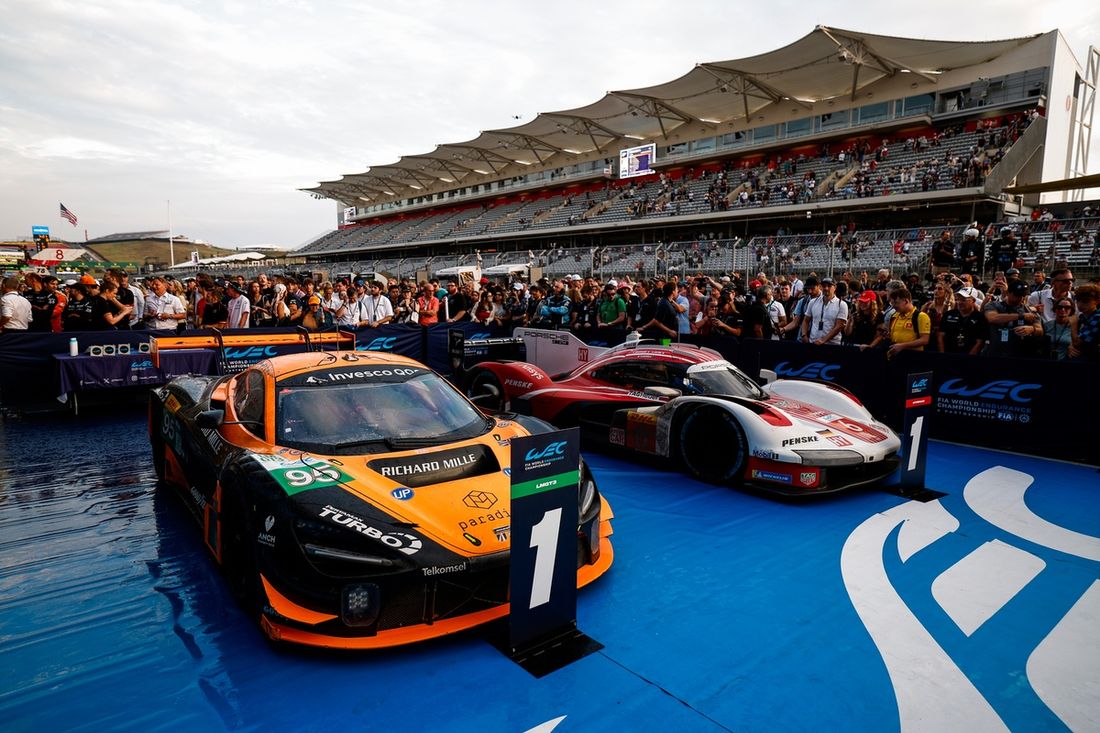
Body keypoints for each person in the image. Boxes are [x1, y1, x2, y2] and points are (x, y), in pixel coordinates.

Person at [983, 279, 1044, 358]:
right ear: (1008, 293)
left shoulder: (1029, 310)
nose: (1020, 298)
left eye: (1023, 295)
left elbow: (1040, 330)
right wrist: (1021, 316)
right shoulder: (994, 305)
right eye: (1017, 295)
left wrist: (1032, 329)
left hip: (1020, 355)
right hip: (995, 354)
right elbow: (992, 317)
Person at [868, 287, 930, 356]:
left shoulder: (921, 316)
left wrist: (902, 346)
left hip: (913, 357)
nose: (894, 306)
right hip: (895, 356)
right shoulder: (894, 315)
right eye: (892, 303)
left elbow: (924, 340)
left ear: (906, 301)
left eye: (896, 303)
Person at [937, 287, 986, 355]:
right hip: (948, 355)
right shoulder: (948, 315)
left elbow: (980, 342)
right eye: (957, 299)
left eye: (963, 300)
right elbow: (940, 336)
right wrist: (942, 355)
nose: (959, 302)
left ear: (973, 300)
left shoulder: (980, 318)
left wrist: (967, 360)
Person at [802, 277, 847, 345]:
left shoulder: (841, 304)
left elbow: (839, 326)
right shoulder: (813, 302)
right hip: (814, 342)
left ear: (835, 287)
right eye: (824, 286)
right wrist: (804, 335)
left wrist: (823, 340)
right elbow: (806, 320)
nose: (826, 288)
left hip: (832, 344)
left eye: (829, 286)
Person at [920, 280, 955, 351]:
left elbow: (944, 315)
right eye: (935, 288)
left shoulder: (953, 305)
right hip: (929, 339)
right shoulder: (928, 305)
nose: (936, 291)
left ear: (946, 292)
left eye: (940, 289)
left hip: (946, 339)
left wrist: (949, 296)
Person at [1069, 284, 1100, 360]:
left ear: (1097, 301)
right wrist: (1070, 345)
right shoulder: (1083, 317)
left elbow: (1078, 343)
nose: (1080, 304)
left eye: (1085, 301)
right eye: (1078, 300)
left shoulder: (1098, 317)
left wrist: (1073, 324)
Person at [1043, 296, 1074, 360]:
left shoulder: (1075, 327)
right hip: (1046, 361)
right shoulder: (1046, 325)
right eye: (1059, 307)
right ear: (1055, 309)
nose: (1063, 310)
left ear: (1071, 310)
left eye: (1067, 307)